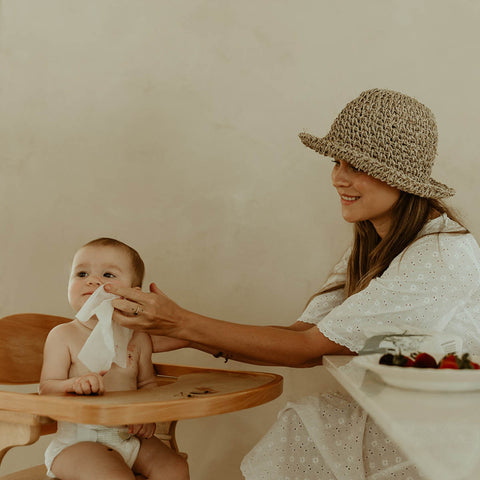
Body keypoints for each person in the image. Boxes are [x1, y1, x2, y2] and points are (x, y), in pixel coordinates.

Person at [105, 89, 480, 479]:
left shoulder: (439, 255)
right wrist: (186, 334)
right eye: (337, 161)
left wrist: (182, 322)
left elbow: (306, 350)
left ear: (399, 178)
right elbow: (302, 334)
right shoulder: (377, 245)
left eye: (357, 166)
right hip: (401, 420)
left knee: (305, 429)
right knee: (302, 426)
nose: (338, 178)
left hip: (445, 444)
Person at [39, 238, 189, 480]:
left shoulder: (138, 339)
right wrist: (72, 385)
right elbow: (46, 389)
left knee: (175, 467)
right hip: (78, 444)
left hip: (129, 437)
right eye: (81, 273)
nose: (92, 280)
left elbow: (148, 386)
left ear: (133, 294)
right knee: (114, 476)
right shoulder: (63, 335)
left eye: (108, 274)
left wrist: (147, 416)